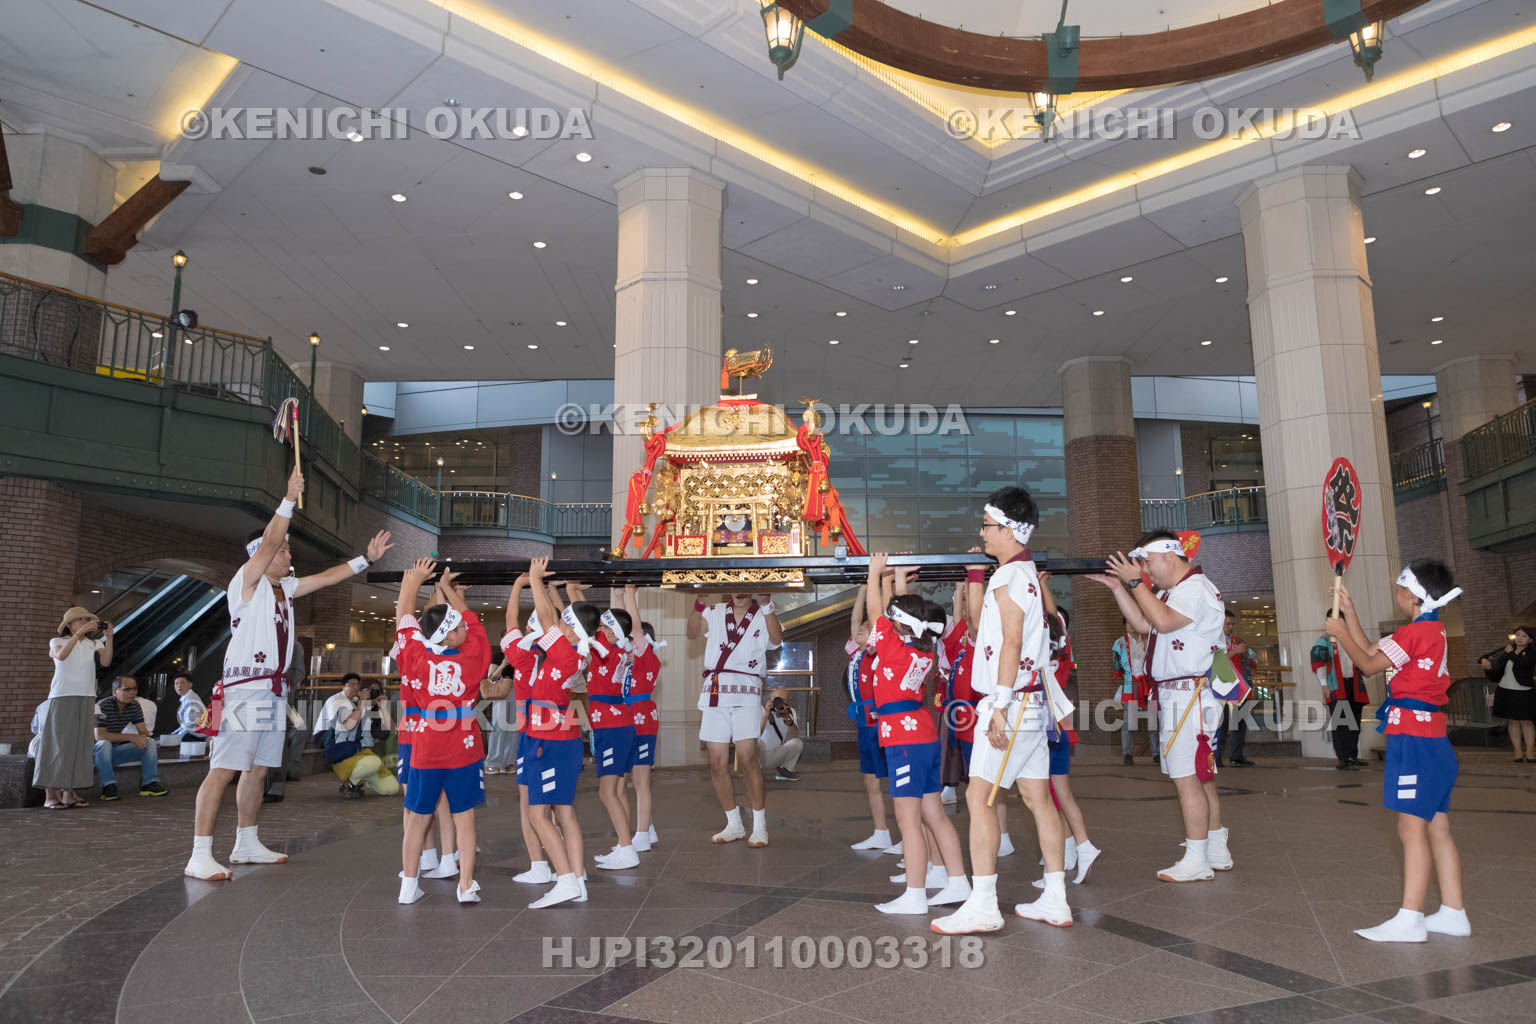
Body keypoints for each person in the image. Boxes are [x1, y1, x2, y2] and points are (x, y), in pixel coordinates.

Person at [184, 466, 394, 881]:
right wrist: (288, 500)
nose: (288, 555)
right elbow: (271, 541)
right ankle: (199, 854)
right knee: (223, 769)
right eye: (282, 551)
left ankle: (246, 843)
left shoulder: (287, 589)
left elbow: (328, 577)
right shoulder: (247, 582)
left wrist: (366, 559)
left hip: (273, 692)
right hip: (245, 690)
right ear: (261, 553)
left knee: (258, 769)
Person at [932, 487, 1074, 934]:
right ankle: (1055, 898)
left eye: (988, 526)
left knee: (979, 798)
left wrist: (999, 705)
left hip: (1010, 702)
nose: (982, 533)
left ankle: (983, 904)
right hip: (1030, 702)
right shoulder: (1023, 573)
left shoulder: (1011, 577)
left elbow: (1010, 641)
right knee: (1037, 798)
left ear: (1011, 530)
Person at [1326, 561, 1469, 942]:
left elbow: (1367, 664)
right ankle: (1453, 912)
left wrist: (1339, 633)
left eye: (1399, 588)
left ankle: (1410, 918)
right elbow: (1374, 649)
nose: (1397, 594)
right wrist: (1350, 616)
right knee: (1437, 827)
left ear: (1411, 594)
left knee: (1410, 829)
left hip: (1413, 740)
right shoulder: (1430, 629)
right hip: (1433, 739)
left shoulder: (1414, 633)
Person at [1090, 528, 1230, 883]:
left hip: (1188, 696)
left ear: (1170, 555)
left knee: (1187, 779)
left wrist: (1135, 583)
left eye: (1148, 562)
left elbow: (1163, 622)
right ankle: (1215, 848)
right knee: (1200, 777)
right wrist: (1119, 588)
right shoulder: (1175, 591)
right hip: (1184, 695)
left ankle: (1197, 857)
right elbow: (1143, 624)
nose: (1146, 570)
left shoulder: (1193, 589)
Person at [864, 554, 969, 914]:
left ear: (898, 623)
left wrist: (874, 575)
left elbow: (876, 612)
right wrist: (897, 578)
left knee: (909, 822)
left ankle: (915, 894)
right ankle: (958, 881)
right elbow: (897, 615)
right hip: (922, 732)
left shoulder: (893, 648)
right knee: (933, 814)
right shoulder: (923, 649)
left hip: (903, 738)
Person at [395, 559, 500, 905]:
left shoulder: (417, 657)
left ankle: (408, 886)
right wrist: (447, 589)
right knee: (464, 816)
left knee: (417, 817)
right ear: (450, 636)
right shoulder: (472, 657)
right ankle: (465, 884)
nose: (465, 628)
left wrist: (413, 583)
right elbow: (473, 622)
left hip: (427, 744)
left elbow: (404, 621)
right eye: (458, 627)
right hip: (463, 745)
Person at [522, 556, 595, 909]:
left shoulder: (566, 654)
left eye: (566, 622)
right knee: (564, 813)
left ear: (573, 630)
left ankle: (565, 880)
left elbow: (546, 615)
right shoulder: (574, 653)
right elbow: (552, 617)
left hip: (549, 740)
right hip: (559, 738)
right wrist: (556, 590)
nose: (558, 623)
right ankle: (577, 879)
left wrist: (535, 580)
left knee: (538, 814)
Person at [686, 591, 782, 847]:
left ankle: (759, 826)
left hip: (747, 691)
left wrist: (767, 604)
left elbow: (776, 639)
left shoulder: (763, 612)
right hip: (715, 690)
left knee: (748, 758)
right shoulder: (715, 611)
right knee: (716, 762)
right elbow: (692, 633)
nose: (740, 589)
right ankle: (734, 823)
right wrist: (699, 604)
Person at [1038, 578, 1101, 884]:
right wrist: (1042, 587)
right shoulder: (1061, 649)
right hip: (1057, 720)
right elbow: (1054, 619)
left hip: (1045, 722)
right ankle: (1075, 849)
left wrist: (1041, 588)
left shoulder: (1044, 650)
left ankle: (1077, 849)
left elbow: (1052, 618)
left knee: (1049, 796)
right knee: (1057, 793)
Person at [37, 607, 113, 809]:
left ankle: (69, 793)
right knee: (56, 742)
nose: (84, 622)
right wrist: (78, 635)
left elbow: (106, 662)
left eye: (87, 619)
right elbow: (61, 656)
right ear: (69, 624)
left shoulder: (93, 643)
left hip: (87, 695)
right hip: (62, 695)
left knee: (80, 744)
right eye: (80, 619)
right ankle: (50, 794)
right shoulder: (57, 641)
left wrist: (109, 638)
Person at [589, 597, 641, 870]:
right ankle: (624, 844)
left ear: (611, 632)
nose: (596, 629)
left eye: (602, 626)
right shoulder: (619, 650)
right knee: (618, 790)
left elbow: (582, 620)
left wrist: (571, 592)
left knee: (607, 792)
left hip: (611, 726)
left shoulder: (605, 649)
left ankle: (627, 849)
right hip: (621, 723)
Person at [847, 584, 897, 852]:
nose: (858, 631)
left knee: (896, 778)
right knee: (870, 779)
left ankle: (908, 834)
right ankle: (881, 832)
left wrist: (884, 587)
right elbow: (855, 620)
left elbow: (880, 620)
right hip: (862, 721)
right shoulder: (856, 651)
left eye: (865, 630)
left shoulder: (876, 651)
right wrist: (862, 590)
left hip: (879, 720)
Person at [620, 584, 662, 852]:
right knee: (634, 780)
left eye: (633, 639)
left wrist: (629, 597)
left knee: (641, 781)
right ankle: (649, 827)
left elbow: (635, 629)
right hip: (628, 720)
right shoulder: (629, 664)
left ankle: (643, 834)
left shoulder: (648, 658)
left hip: (642, 721)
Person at [313, 673, 399, 798]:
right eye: (369, 690)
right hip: (345, 754)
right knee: (374, 762)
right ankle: (351, 784)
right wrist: (362, 703)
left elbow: (391, 730)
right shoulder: (346, 704)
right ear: (361, 691)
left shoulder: (374, 710)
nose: (372, 693)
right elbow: (349, 726)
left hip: (365, 756)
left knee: (392, 788)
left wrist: (384, 708)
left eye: (376, 691)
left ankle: (361, 778)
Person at [93, 676, 168, 799]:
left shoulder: (134, 705)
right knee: (104, 744)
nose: (132, 693)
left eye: (134, 689)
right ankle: (108, 786)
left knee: (150, 743)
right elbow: (100, 736)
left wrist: (142, 738)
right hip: (94, 755)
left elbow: (144, 732)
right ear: (115, 691)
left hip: (113, 753)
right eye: (127, 689)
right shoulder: (103, 706)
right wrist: (131, 737)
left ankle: (149, 784)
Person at [1313, 613, 1371, 770]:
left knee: (1354, 721)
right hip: (1336, 685)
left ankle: (1352, 755)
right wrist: (1324, 685)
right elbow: (1320, 665)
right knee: (1340, 722)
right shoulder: (1324, 641)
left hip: (1354, 683)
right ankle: (1343, 758)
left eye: (1340, 620)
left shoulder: (1352, 638)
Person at [1482, 627, 1535, 762]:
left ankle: (1530, 752)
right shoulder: (1507, 649)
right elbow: (1485, 657)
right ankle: (1517, 751)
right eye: (1518, 635)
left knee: (1526, 721)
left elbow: (1522, 663)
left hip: (1524, 691)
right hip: (1505, 689)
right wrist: (1484, 660)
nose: (1519, 638)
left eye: (1524, 636)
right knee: (1512, 721)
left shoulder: (1532, 652)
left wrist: (1510, 652)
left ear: (1530, 640)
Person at [1216, 610, 1256, 767]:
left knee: (1240, 723)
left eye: (1233, 624)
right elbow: (1215, 663)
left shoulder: (1239, 641)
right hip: (1223, 688)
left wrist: (1250, 660)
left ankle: (1236, 756)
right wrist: (1234, 652)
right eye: (1228, 624)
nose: (1231, 627)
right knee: (1223, 723)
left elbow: (1252, 659)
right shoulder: (1214, 641)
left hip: (1241, 688)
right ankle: (1216, 757)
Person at [758, 688, 804, 781]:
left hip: (777, 755)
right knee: (755, 743)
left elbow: (794, 735)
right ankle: (754, 773)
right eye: (777, 699)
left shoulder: (790, 712)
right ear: (772, 699)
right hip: (760, 754)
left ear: (787, 702)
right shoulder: (761, 710)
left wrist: (789, 720)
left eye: (783, 700)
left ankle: (784, 771)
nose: (780, 703)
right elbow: (757, 734)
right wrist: (766, 715)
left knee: (797, 743)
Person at [168, 674, 207, 740]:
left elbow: (190, 724)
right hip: (191, 733)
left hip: (195, 735)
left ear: (190, 684)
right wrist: (174, 734)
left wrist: (175, 737)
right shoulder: (187, 697)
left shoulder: (191, 699)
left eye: (182, 682)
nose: (179, 685)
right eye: (176, 683)